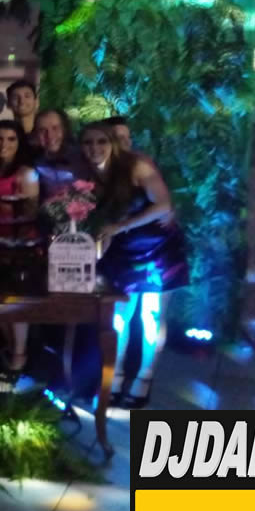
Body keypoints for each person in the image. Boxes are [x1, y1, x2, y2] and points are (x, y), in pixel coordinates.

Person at [79, 121, 189, 409]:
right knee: (119, 316)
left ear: (112, 144)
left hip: (158, 250)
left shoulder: (136, 165)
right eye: (88, 142)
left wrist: (121, 226)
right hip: (121, 253)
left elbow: (163, 206)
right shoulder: (89, 175)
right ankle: (114, 375)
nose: (94, 148)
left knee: (151, 316)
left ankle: (144, 376)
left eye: (101, 141)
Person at [0, 120, 39, 378]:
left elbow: (31, 211)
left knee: (15, 303)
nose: (4, 144)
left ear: (19, 143)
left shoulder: (25, 172)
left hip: (19, 245)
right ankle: (13, 351)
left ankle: (19, 356)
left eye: (11, 139)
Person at [33, 108, 84, 204]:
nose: (49, 135)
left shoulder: (84, 156)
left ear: (64, 130)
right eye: (42, 130)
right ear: (36, 135)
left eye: (55, 128)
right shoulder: (35, 163)